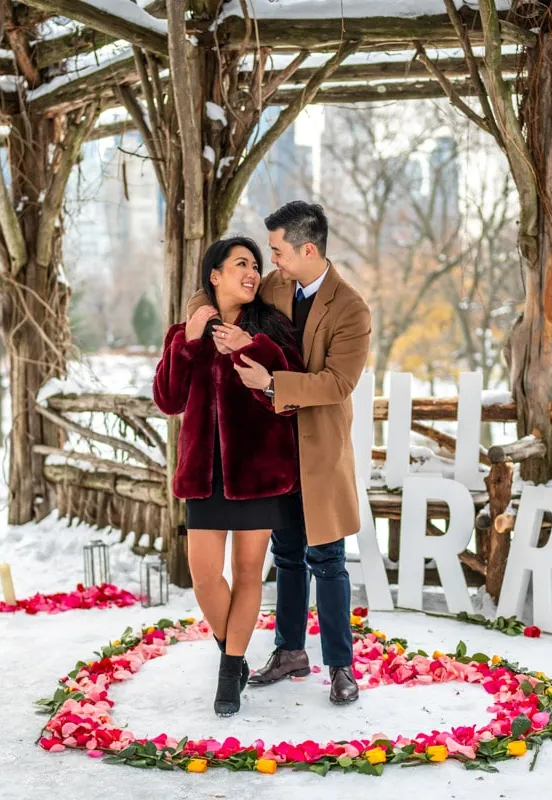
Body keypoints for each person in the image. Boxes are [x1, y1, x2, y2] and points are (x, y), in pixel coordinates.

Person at [186, 201, 371, 706]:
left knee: (327, 559)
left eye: (277, 251)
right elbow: (215, 288)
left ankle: (340, 666)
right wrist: (198, 322)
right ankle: (290, 650)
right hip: (273, 453)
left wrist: (271, 382)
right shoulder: (275, 286)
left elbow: (338, 382)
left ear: (307, 249)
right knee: (287, 557)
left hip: (319, 450)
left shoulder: (351, 309)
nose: (270, 263)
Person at [152, 236, 304, 717]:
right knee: (203, 575)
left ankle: (229, 672)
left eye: (256, 265)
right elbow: (168, 400)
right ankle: (233, 655)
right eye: (241, 263)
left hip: (259, 472)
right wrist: (189, 343)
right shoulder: (186, 331)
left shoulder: (273, 328)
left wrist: (252, 346)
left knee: (246, 573)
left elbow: (291, 391)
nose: (253, 272)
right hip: (204, 474)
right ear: (214, 275)